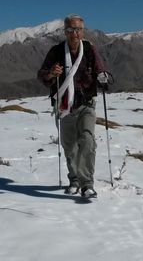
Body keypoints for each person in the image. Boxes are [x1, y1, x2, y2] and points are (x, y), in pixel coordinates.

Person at [37, 14, 108, 198]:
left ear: (82, 31)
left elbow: (101, 69)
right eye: (70, 30)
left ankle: (87, 184)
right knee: (69, 146)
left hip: (86, 104)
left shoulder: (90, 50)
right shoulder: (56, 52)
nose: (74, 33)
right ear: (65, 32)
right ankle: (74, 180)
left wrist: (103, 77)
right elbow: (42, 75)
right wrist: (52, 74)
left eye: (77, 30)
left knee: (87, 140)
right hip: (64, 106)